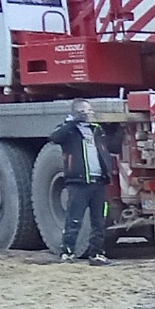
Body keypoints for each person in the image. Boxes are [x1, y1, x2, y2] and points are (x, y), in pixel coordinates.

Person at [49, 100, 113, 265]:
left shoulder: (96, 129)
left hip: (98, 181)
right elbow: (55, 137)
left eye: (90, 110)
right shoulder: (69, 130)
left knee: (99, 221)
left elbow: (110, 146)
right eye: (86, 110)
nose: (90, 113)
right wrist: (72, 122)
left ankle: (96, 254)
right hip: (78, 182)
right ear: (78, 112)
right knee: (74, 219)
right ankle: (67, 252)